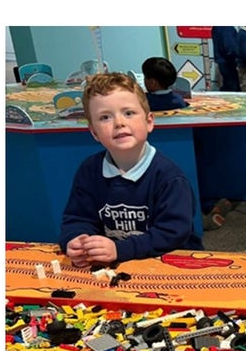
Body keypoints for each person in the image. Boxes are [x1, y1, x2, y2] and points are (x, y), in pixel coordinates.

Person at [59, 73, 200, 268]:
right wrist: (76, 240)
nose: (119, 123)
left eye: (128, 113)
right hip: (119, 265)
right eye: (105, 117)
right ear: (94, 132)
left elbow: (173, 232)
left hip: (170, 262)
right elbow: (78, 218)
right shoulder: (89, 171)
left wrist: (120, 250)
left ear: (149, 121)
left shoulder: (169, 177)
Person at [211, 26, 240, 91]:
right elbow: (230, 46)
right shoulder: (227, 28)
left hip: (221, 61)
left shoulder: (217, 28)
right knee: (233, 88)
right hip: (229, 62)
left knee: (227, 86)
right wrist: (237, 56)